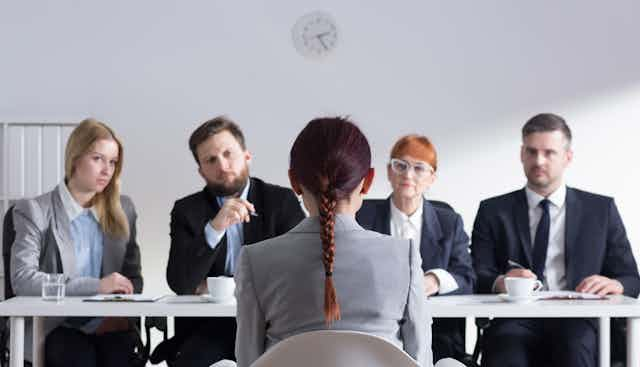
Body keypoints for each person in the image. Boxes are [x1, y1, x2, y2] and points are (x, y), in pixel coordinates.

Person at [234, 117, 432, 367]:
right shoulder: (405, 256)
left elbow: (248, 362)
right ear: (368, 181)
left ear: (294, 182)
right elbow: (421, 361)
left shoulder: (255, 260)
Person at [471, 113, 640, 367]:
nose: (539, 161)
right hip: (514, 319)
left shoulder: (600, 210)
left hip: (578, 321)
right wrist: (501, 282)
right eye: (532, 151)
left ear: (567, 157)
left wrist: (615, 284)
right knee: (506, 354)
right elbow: (476, 273)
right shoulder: (494, 210)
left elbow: (631, 278)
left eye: (549, 152)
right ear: (521, 154)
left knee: (575, 349)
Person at [163, 116, 305, 366]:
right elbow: (181, 283)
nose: (223, 165)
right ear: (201, 171)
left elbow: (299, 270)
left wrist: (212, 284)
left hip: (272, 322)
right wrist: (214, 228)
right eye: (211, 160)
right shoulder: (187, 210)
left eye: (228, 153)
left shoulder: (280, 201)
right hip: (208, 327)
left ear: (247, 155)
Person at [11, 118, 143, 367]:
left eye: (113, 162)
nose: (107, 170)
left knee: (120, 356)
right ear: (75, 158)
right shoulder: (35, 210)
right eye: (98, 159)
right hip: (54, 326)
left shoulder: (123, 209)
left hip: (109, 324)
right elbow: (23, 279)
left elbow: (133, 278)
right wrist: (97, 286)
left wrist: (119, 313)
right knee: (77, 357)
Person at [356, 134, 475, 362]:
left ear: (432, 178)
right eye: (400, 165)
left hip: (439, 334)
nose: (408, 175)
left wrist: (433, 281)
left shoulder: (450, 223)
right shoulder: (362, 216)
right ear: (389, 172)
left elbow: (467, 278)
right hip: (376, 330)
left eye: (419, 168)